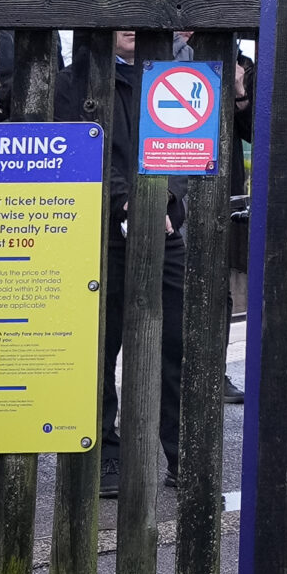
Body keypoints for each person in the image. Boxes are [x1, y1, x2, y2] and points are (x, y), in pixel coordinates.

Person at [56, 26, 185, 496]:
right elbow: (76, 150)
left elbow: (189, 151)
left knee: (178, 344)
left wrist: (164, 200)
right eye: (120, 16)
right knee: (98, 348)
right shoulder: (72, 82)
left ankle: (182, 452)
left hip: (163, 230)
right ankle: (105, 455)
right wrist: (124, 200)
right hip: (98, 234)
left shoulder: (173, 79)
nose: (130, 28)